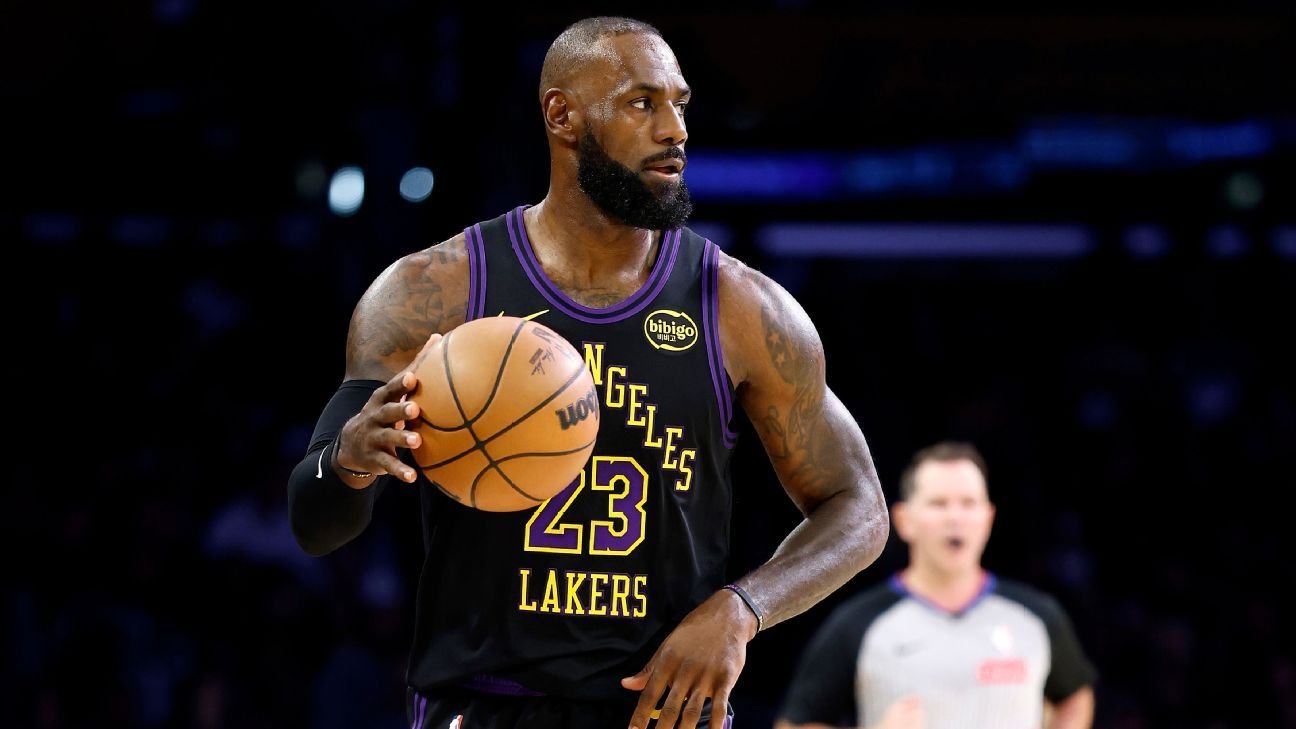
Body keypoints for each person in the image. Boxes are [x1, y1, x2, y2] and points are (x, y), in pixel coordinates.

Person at [286, 15, 889, 729]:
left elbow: (860, 506)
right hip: (486, 703)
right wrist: (350, 461)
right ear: (562, 115)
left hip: (661, 710)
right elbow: (314, 519)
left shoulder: (739, 307)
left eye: (680, 104)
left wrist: (742, 608)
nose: (675, 130)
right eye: (642, 103)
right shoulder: (435, 291)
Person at [774, 442, 1096, 729]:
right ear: (904, 520)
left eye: (968, 503)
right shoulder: (858, 624)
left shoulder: (1036, 618)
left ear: (988, 518)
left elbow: (1075, 696)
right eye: (939, 504)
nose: (955, 517)